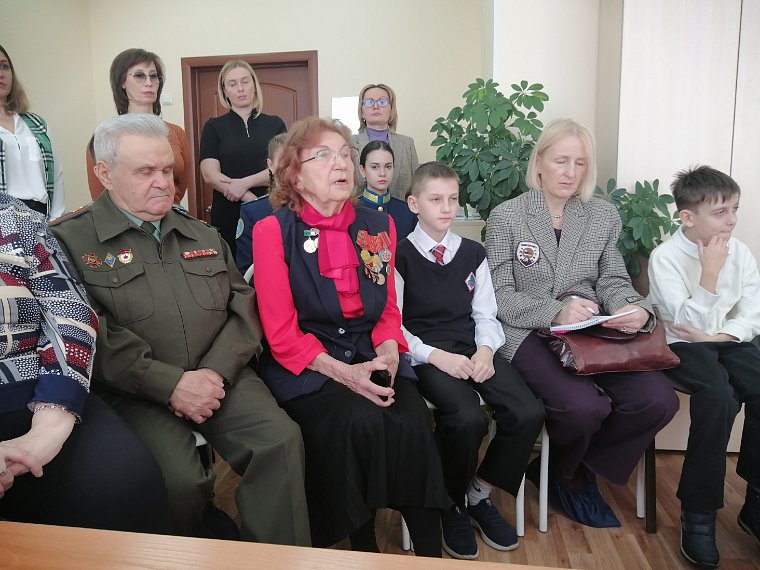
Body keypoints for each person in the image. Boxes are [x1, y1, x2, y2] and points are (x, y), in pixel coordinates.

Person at [50, 114, 310, 546]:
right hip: (137, 391)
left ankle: (277, 560)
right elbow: (85, 330)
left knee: (280, 442)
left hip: (220, 377)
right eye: (145, 172)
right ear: (105, 174)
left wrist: (214, 373)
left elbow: (244, 306)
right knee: (176, 482)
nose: (163, 183)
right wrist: (170, 384)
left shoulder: (200, 232)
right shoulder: (71, 240)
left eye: (167, 170)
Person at [253, 117, 449, 556]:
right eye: (323, 155)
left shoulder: (378, 225)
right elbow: (281, 333)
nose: (340, 163)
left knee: (412, 419)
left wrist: (389, 351)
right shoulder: (273, 231)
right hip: (308, 362)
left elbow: (388, 309)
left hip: (370, 350)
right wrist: (347, 374)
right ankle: (363, 546)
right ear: (294, 174)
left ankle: (431, 551)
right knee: (355, 420)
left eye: (344, 153)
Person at [485, 118, 678, 528]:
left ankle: (568, 469)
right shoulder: (507, 217)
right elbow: (499, 296)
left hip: (590, 330)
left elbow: (612, 279)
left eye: (580, 163)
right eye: (561, 161)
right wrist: (554, 311)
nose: (570, 172)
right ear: (539, 162)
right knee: (582, 408)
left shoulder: (601, 215)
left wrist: (631, 307)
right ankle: (571, 480)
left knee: (658, 400)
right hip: (527, 331)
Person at [395, 162, 545, 559]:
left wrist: (485, 350)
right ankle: (450, 503)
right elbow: (394, 326)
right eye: (435, 199)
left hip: (472, 348)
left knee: (528, 411)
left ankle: (477, 493)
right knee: (467, 419)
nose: (446, 208)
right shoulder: (399, 256)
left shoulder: (473, 253)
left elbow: (486, 314)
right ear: (414, 204)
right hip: (427, 356)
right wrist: (436, 357)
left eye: (452, 199)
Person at [0, 194, 168, 532]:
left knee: (125, 482)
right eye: (147, 171)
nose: (162, 184)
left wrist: (49, 426)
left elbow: (70, 310)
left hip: (40, 385)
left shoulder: (16, 216)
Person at [647, 165, 760, 568]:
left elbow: (752, 313)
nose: (731, 220)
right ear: (688, 217)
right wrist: (710, 271)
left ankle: (756, 498)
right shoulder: (664, 258)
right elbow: (684, 324)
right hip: (683, 345)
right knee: (719, 399)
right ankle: (698, 511)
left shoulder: (740, 251)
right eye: (720, 212)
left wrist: (723, 335)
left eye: (735, 209)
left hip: (727, 338)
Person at [200, 61, 286, 258]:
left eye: (245, 81)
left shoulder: (275, 124)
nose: (240, 88)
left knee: (273, 262)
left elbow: (282, 167)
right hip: (228, 213)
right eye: (232, 84)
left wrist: (245, 184)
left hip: (271, 207)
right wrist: (247, 197)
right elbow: (209, 174)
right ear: (224, 91)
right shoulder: (213, 126)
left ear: (254, 85)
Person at [85, 48, 191, 205]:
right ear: (122, 82)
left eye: (153, 76)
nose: (149, 83)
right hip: (123, 218)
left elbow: (180, 187)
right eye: (139, 76)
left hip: (170, 213)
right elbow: (99, 196)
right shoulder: (105, 137)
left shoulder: (176, 133)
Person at [0, 44, 65, 218]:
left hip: (41, 218)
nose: (1, 73)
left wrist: (57, 221)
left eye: (4, 66)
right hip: (5, 222)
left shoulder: (37, 124)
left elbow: (56, 176)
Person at [351, 83, 418, 200]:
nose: (375, 106)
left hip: (401, 210)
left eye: (382, 102)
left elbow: (416, 186)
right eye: (369, 102)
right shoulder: (349, 143)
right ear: (361, 111)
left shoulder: (407, 144)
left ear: (391, 109)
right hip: (359, 210)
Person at [235, 132, 285, 276]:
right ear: (271, 165)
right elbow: (246, 271)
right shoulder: (254, 212)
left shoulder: (316, 206)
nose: (290, 169)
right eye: (284, 162)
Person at [358, 141, 416, 240]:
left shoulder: (407, 212)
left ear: (394, 168)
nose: (382, 173)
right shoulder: (352, 211)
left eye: (388, 167)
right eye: (375, 167)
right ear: (362, 170)